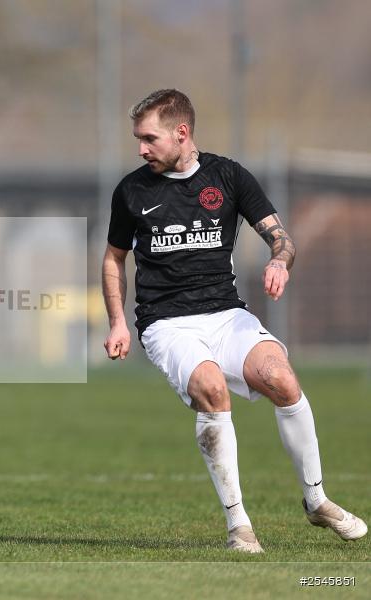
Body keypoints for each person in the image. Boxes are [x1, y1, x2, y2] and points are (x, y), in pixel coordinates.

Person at [101, 89, 366, 553]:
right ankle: (239, 526)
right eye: (138, 139)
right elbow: (113, 259)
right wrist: (118, 322)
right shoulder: (131, 190)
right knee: (211, 389)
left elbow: (282, 238)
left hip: (226, 315)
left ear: (181, 133)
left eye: (149, 138)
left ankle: (317, 499)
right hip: (167, 322)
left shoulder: (228, 176)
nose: (141, 149)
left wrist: (279, 261)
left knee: (282, 378)